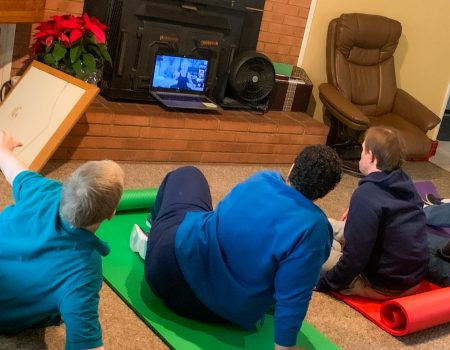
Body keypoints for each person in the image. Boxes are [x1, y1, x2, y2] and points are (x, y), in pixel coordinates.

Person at [130, 144, 342, 350]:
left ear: (293, 167)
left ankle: (153, 229)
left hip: (165, 267)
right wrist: (285, 346)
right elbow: (295, 293)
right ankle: (156, 234)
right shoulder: (316, 229)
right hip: (221, 312)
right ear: (325, 192)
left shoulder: (263, 180)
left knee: (188, 174)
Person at [0, 130, 124, 350]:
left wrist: (3, 148)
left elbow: (12, 169)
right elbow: (85, 344)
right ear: (111, 213)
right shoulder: (84, 272)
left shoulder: (46, 189)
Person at [316, 126, 429, 299]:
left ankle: (357, 282)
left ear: (371, 156)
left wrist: (323, 283)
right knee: (327, 223)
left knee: (308, 250)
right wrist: (356, 210)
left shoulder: (366, 196)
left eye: (362, 149)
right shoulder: (403, 181)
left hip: (383, 283)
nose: (360, 155)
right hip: (412, 279)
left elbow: (354, 260)